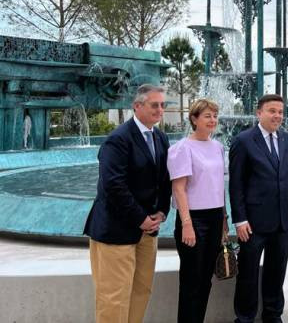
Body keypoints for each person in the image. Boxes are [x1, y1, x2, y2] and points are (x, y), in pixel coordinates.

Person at [83, 84, 171, 323]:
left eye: (163, 105)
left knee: (141, 291)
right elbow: (114, 186)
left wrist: (162, 211)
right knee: (113, 297)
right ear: (137, 106)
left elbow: (164, 180)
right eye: (155, 105)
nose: (160, 110)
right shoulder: (117, 140)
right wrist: (141, 218)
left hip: (148, 230)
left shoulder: (160, 138)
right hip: (116, 229)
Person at [229, 94, 288, 323]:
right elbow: (236, 184)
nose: (277, 115)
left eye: (280, 111)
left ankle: (273, 314)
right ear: (259, 113)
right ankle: (245, 317)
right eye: (272, 111)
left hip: (282, 220)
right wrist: (239, 220)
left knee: (276, 272)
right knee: (248, 274)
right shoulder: (243, 141)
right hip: (253, 223)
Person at [167, 99, 227, 323]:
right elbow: (179, 188)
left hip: (214, 218)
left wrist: (223, 221)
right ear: (194, 119)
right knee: (191, 281)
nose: (212, 120)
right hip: (193, 219)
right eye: (207, 116)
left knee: (205, 281)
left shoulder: (218, 147)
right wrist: (187, 224)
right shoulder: (182, 148)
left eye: (214, 116)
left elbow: (218, 186)